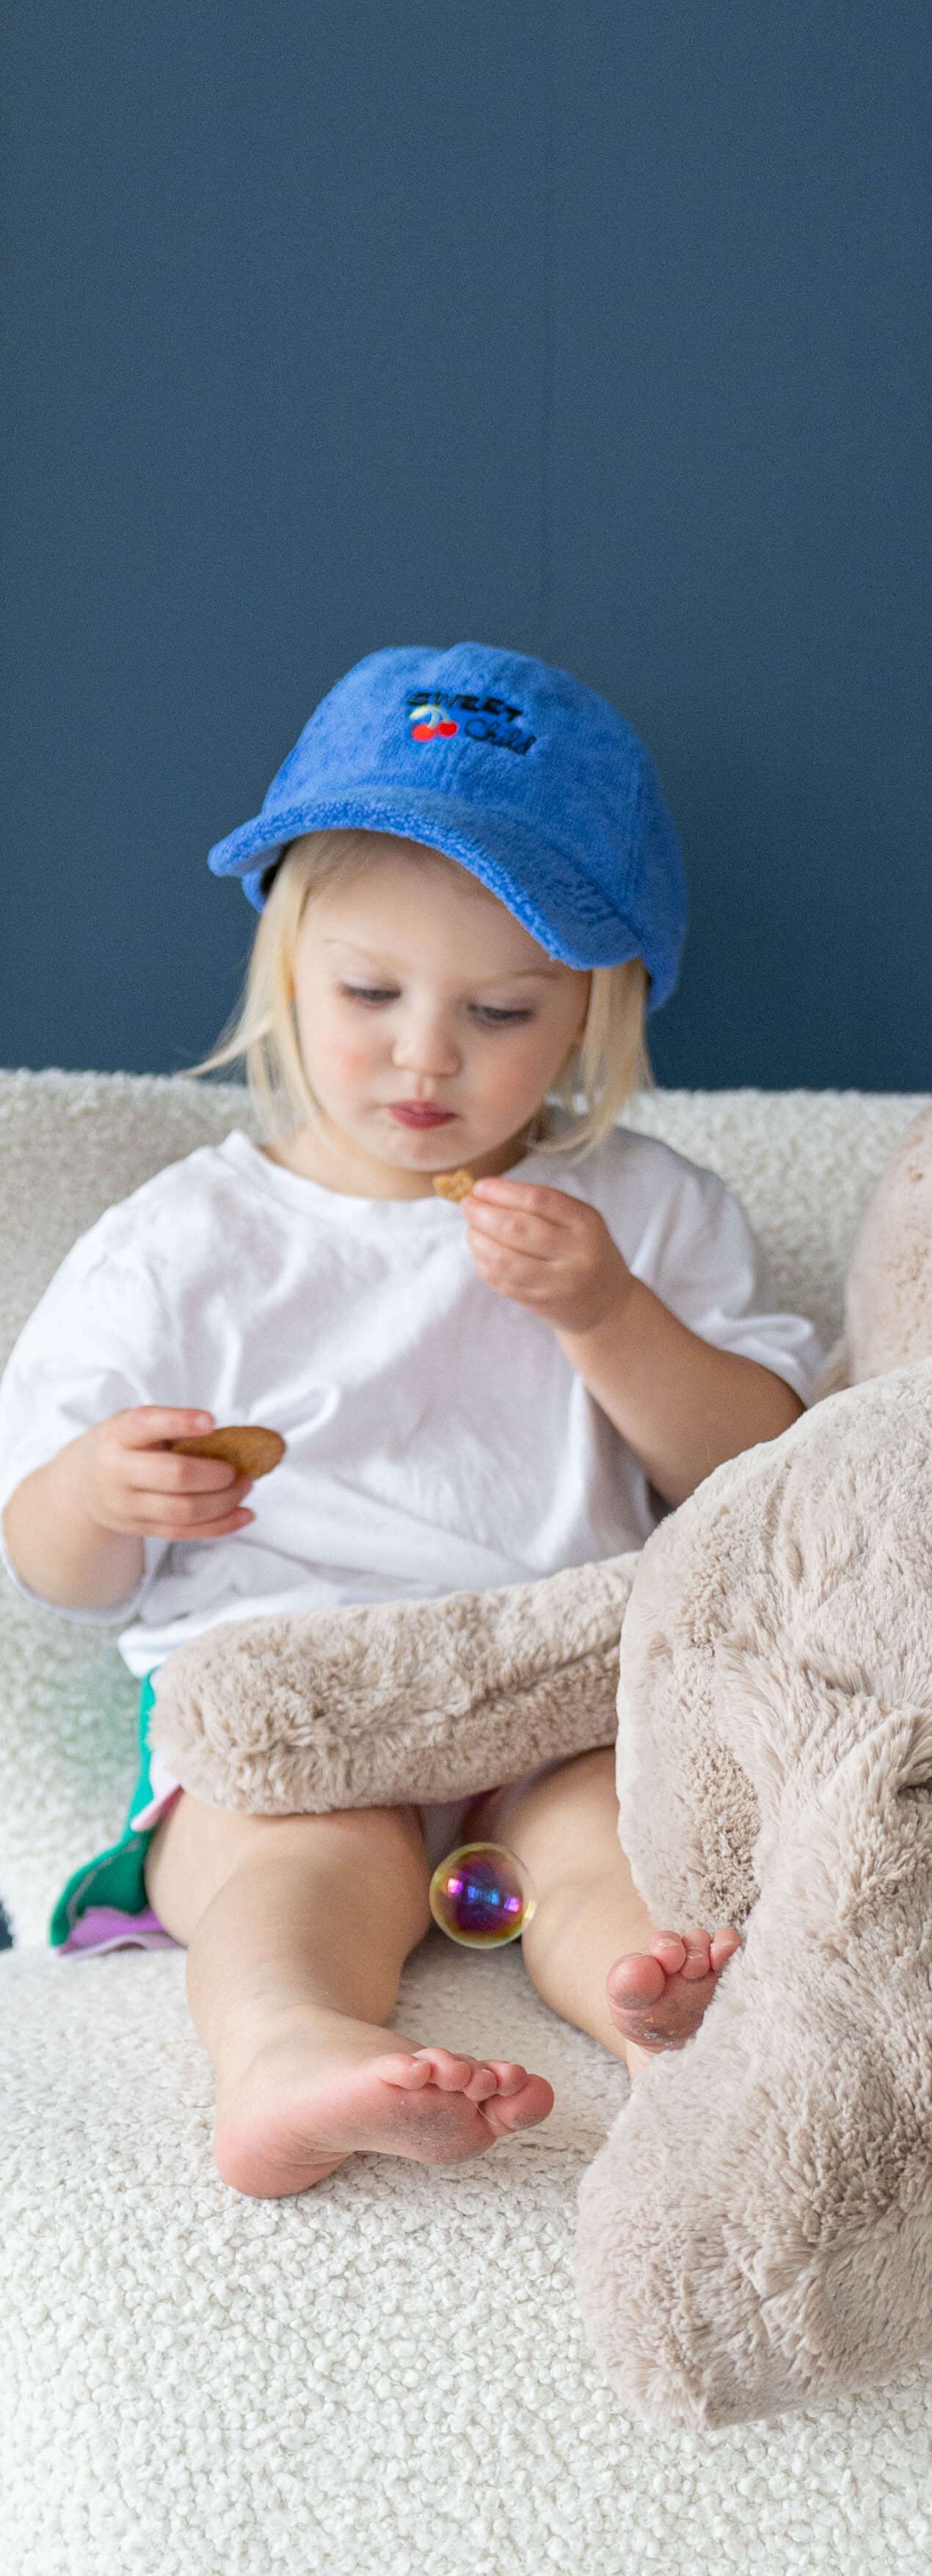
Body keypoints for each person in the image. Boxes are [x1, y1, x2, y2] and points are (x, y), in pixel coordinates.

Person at [0, 643, 820, 2195]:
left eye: (501, 1010)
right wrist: (103, 1496)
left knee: (608, 1846)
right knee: (297, 1864)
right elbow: (49, 1561)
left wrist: (608, 1316)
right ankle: (290, 2049)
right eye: (369, 993)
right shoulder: (187, 1240)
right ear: (288, 973)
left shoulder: (644, 1211)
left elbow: (757, 1478)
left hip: (554, 1682)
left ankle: (666, 2018)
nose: (425, 1053)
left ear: (594, 1013)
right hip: (299, 1694)